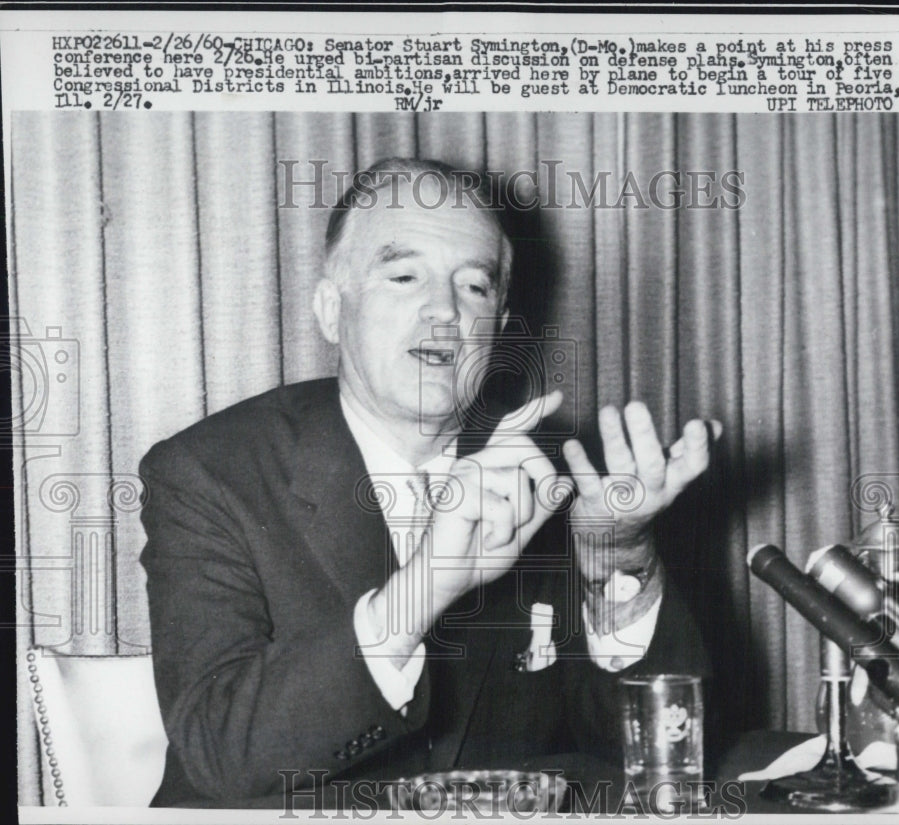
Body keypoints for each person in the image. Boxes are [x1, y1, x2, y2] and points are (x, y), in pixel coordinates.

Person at [139, 158, 719, 808]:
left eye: (474, 287)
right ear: (333, 309)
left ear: (498, 330)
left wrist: (617, 562)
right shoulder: (211, 471)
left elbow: (655, 759)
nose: (444, 309)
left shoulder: (548, 476)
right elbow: (219, 755)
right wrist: (426, 584)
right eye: (405, 275)